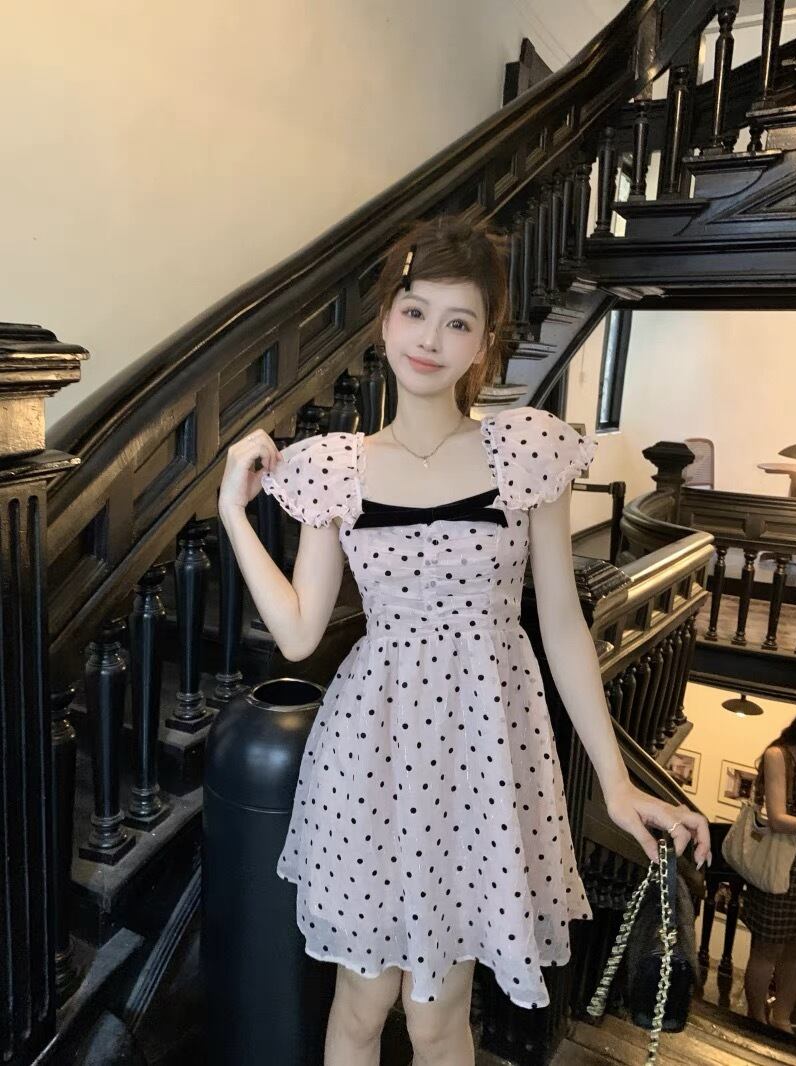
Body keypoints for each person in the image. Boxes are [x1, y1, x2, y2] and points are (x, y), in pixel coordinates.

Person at [217, 214, 711, 1066]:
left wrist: (617, 783)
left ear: (484, 342)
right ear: (385, 320)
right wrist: (234, 511)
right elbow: (298, 634)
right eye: (415, 312)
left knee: (438, 1017)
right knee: (361, 1005)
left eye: (458, 322)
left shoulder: (524, 450)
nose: (430, 339)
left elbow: (562, 625)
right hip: (371, 753)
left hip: (481, 755)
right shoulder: (335, 466)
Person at [742, 712, 796, 1034]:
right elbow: (777, 818)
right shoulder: (779, 755)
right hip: (779, 864)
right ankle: (756, 1020)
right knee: (766, 948)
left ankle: (781, 1020)